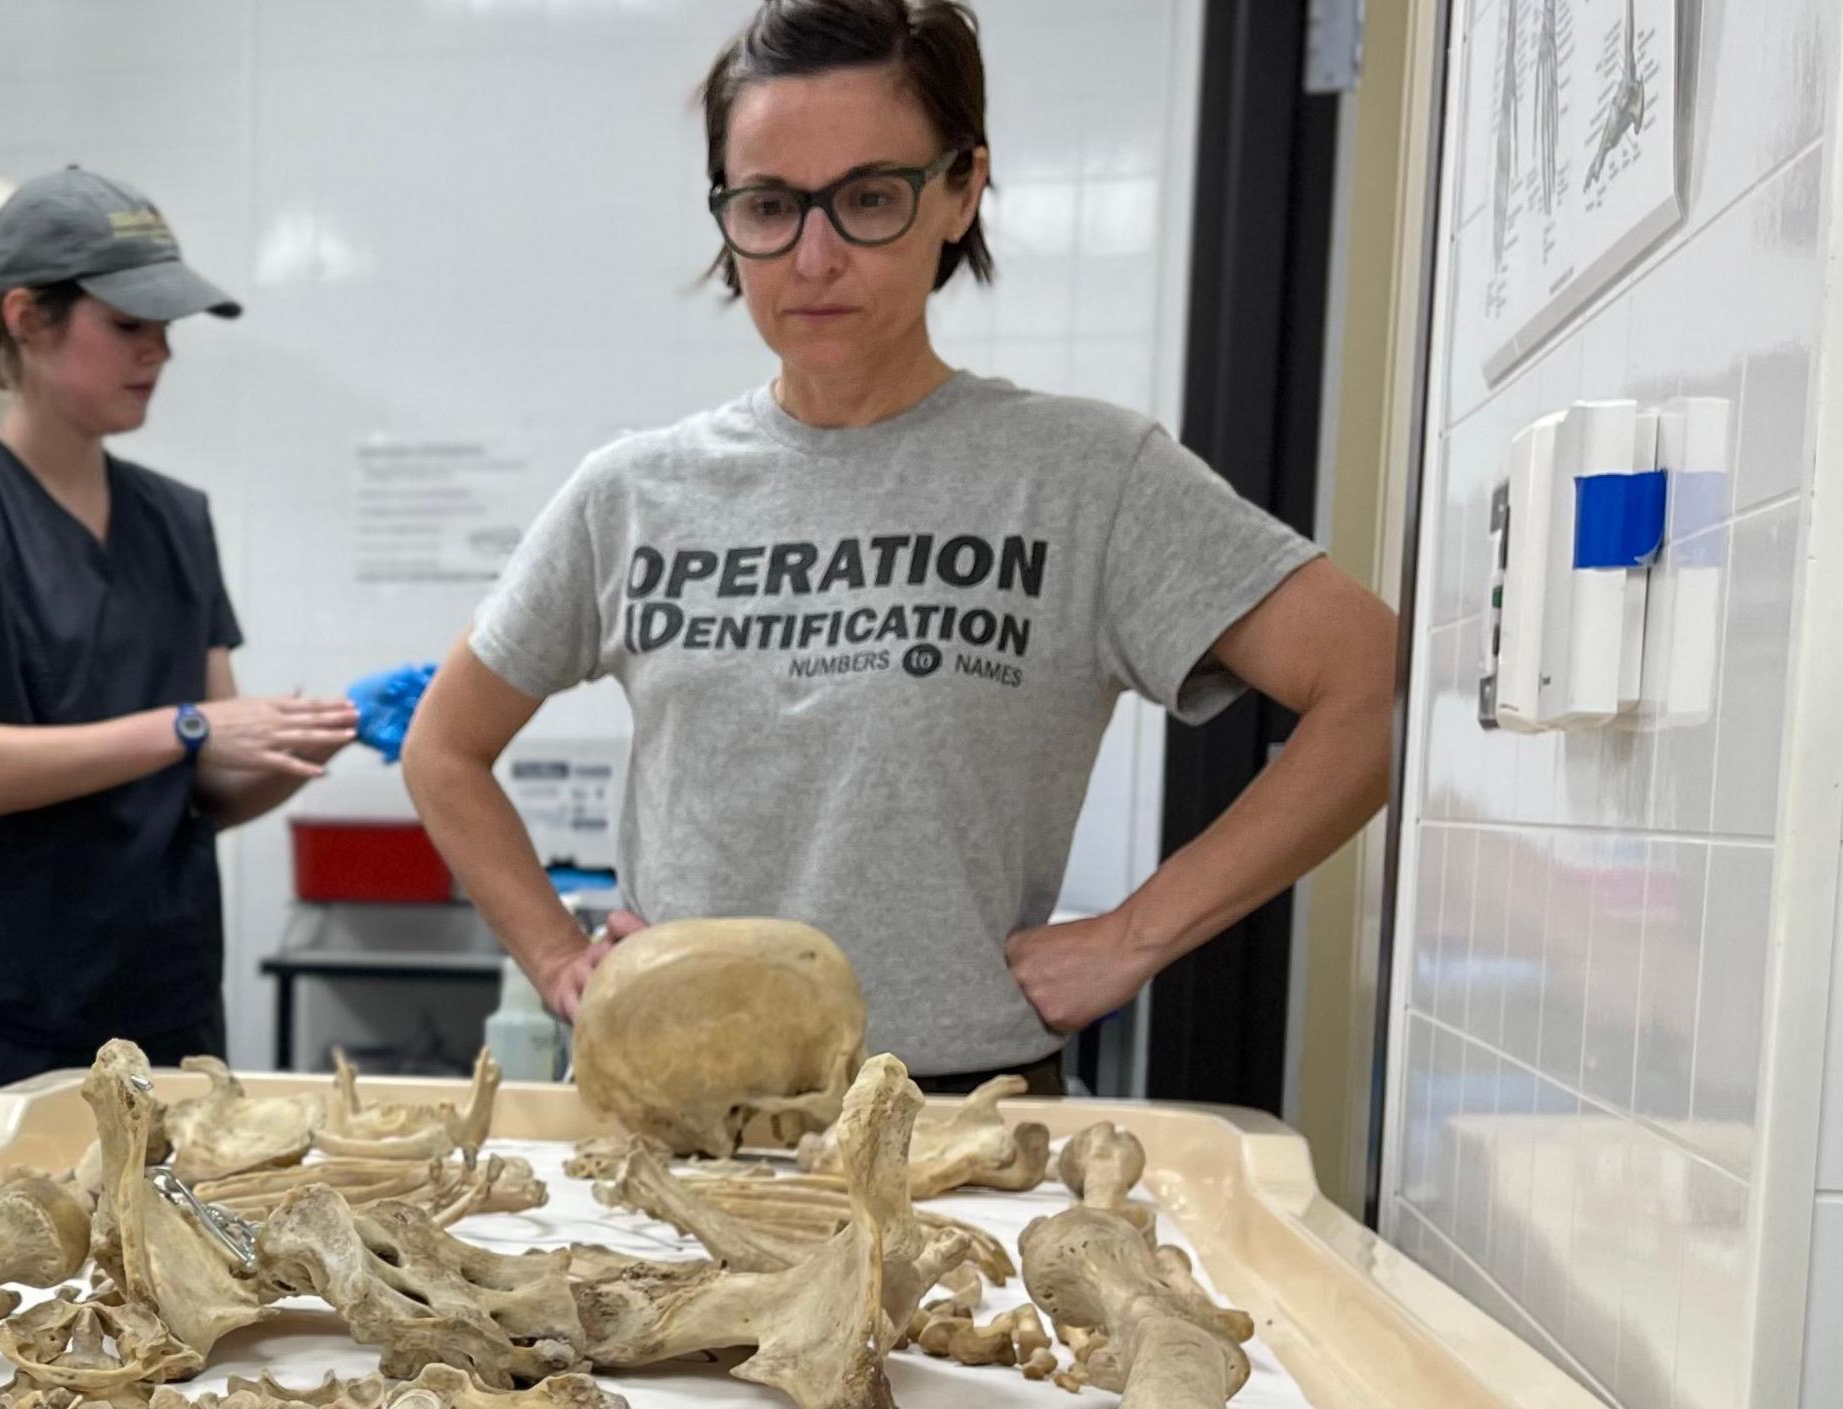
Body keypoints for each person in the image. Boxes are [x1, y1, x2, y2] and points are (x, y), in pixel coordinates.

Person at [401, 0, 1395, 1096]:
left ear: (961, 190)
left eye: (870, 197)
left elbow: (1373, 686)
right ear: (725, 213)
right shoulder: (632, 492)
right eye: (770, 205)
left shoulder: (1082, 477)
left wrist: (1133, 936)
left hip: (955, 1121)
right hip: (669, 1117)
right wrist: (554, 957)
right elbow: (444, 748)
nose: (814, 256)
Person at [0, 167, 357, 1154]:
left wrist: (307, 743)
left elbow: (205, 786)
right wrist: (186, 727)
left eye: (166, 328)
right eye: (130, 322)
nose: (159, 351)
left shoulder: (177, 520)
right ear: (27, 317)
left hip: (160, 1006)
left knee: (171, 1285)